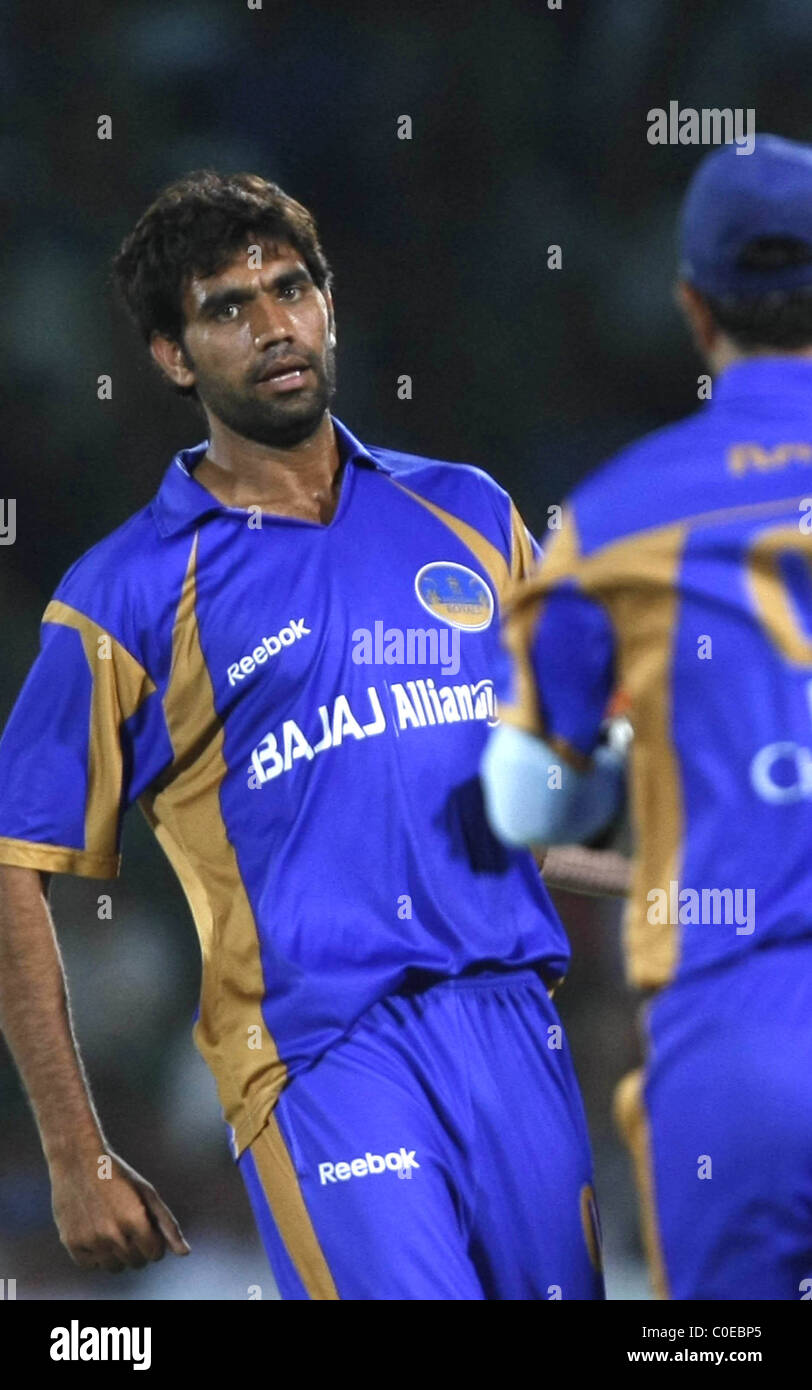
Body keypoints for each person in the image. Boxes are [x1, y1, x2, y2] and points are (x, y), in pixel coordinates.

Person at [0, 170, 604, 1301]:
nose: (274, 324)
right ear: (173, 357)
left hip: (520, 1029)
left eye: (292, 287)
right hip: (325, 1058)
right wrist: (75, 1154)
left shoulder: (466, 510)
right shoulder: (124, 593)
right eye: (226, 307)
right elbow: (12, 866)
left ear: (329, 303)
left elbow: (536, 798)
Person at [481, 133, 812, 1301]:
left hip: (739, 1030)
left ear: (690, 305)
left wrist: (619, 774)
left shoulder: (614, 515)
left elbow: (526, 799)